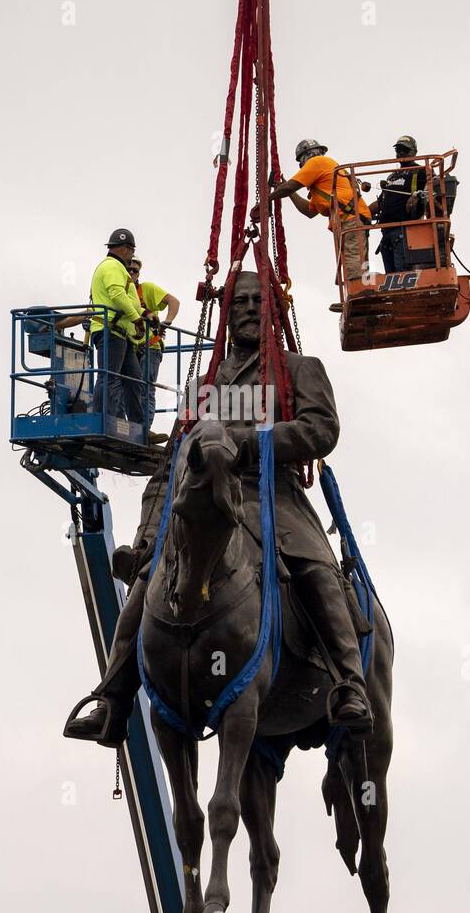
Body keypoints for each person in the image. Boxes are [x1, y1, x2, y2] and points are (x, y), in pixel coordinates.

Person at [63, 269, 374, 748]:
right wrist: (147, 537)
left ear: (274, 310)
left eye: (258, 302)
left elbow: (321, 430)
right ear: (226, 315)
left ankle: (349, 683)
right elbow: (170, 468)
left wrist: (245, 443)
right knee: (149, 581)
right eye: (240, 303)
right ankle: (113, 698)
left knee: (317, 572)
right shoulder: (206, 385)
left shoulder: (299, 368)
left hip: (274, 498)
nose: (249, 309)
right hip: (204, 500)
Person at [258, 139, 372, 287]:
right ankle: (355, 291)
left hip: (351, 218)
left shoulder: (317, 162)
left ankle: (358, 292)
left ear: (306, 157)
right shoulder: (324, 177)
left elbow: (289, 187)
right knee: (351, 260)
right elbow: (309, 211)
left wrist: (265, 200)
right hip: (348, 219)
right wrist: (285, 191)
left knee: (353, 258)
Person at [87, 229, 145, 424]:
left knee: (134, 379)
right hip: (110, 330)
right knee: (109, 377)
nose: (132, 255)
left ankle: (138, 426)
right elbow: (117, 294)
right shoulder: (112, 266)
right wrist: (136, 318)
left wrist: (145, 315)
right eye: (131, 250)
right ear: (125, 249)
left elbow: (126, 297)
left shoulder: (116, 267)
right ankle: (104, 421)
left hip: (121, 333)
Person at [127, 257, 180, 431]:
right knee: (125, 387)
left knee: (145, 389)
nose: (132, 273)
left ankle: (143, 431)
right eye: (129, 269)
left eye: (135, 270)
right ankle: (129, 427)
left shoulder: (146, 289)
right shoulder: (121, 292)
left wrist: (167, 322)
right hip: (130, 347)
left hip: (150, 347)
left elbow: (174, 301)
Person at [368, 135, 430, 274]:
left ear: (414, 152)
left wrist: (417, 195)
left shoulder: (422, 171)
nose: (401, 153)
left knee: (403, 275)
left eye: (405, 150)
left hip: (405, 232)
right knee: (391, 276)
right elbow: (381, 202)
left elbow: (434, 189)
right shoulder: (392, 176)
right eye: (398, 149)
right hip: (387, 232)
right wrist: (361, 213)